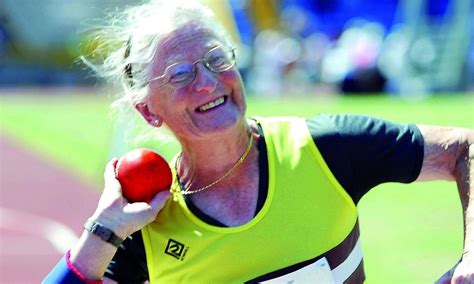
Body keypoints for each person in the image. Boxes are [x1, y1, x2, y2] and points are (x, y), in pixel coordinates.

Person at [44, 1, 473, 283]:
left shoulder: (323, 148)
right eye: (180, 74)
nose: (209, 82)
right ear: (149, 111)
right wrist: (103, 231)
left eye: (216, 58)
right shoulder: (147, 223)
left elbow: (464, 148)